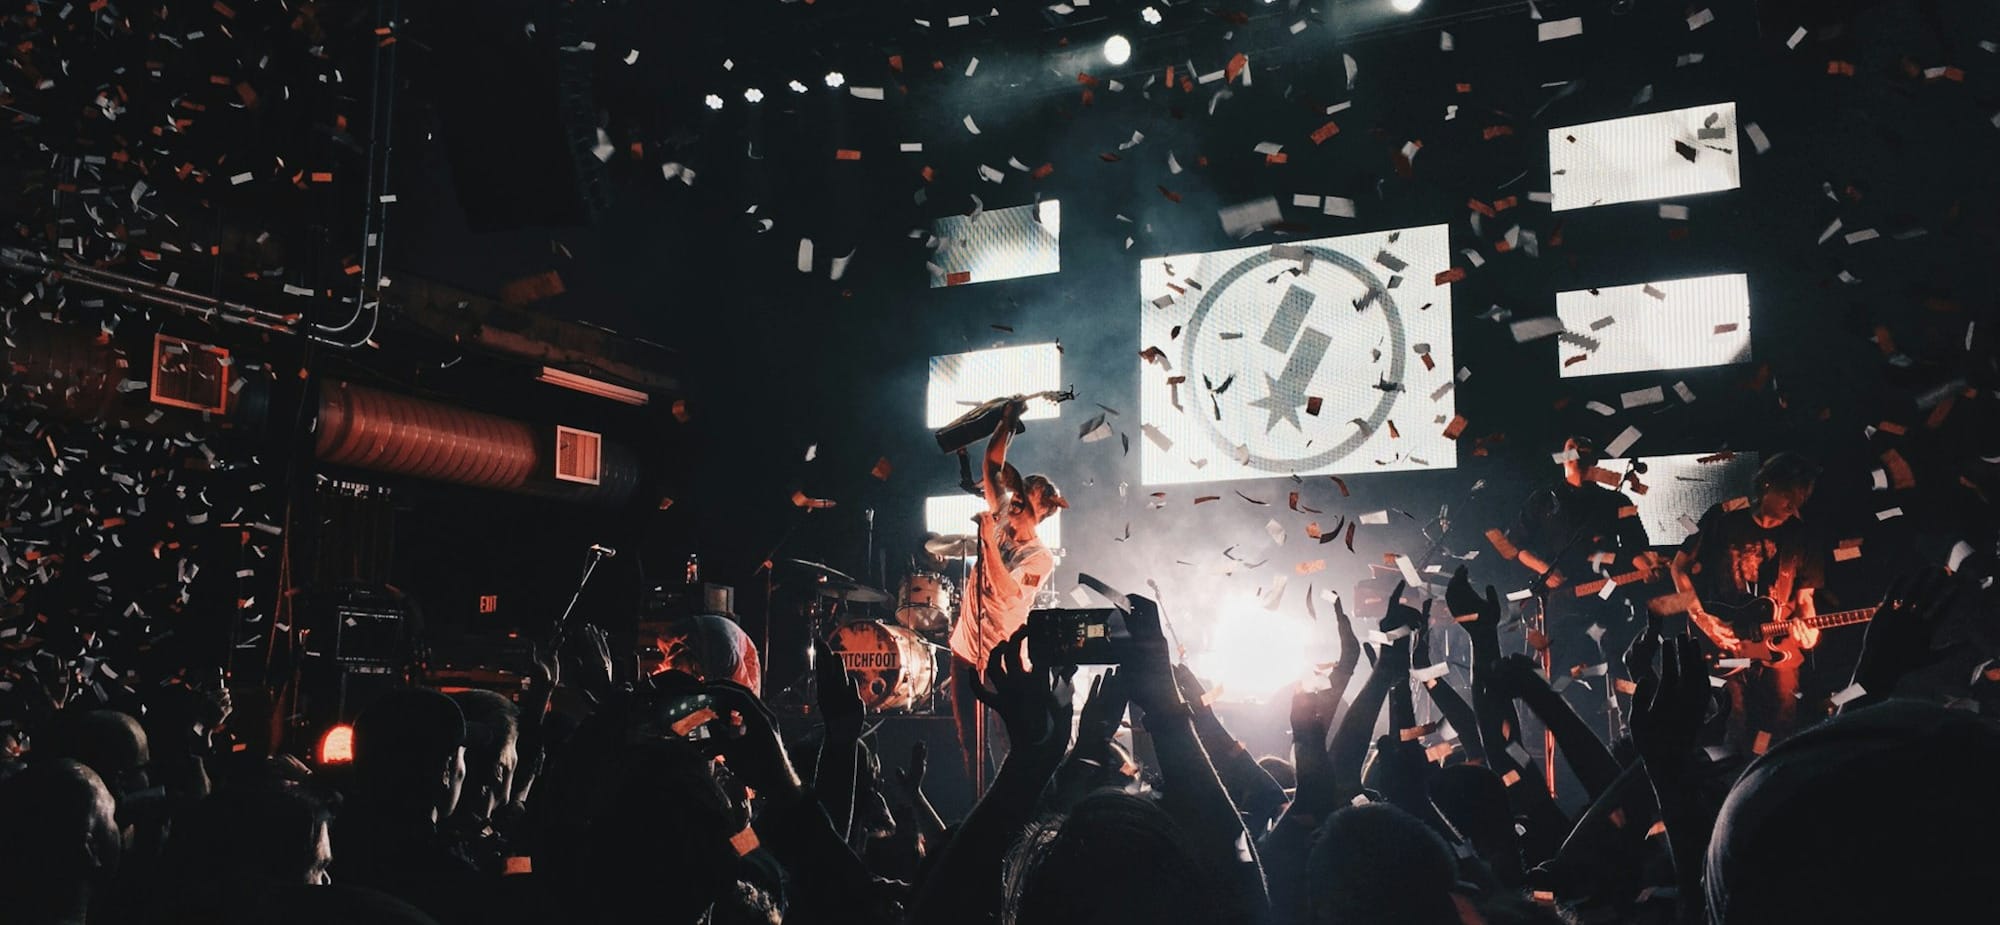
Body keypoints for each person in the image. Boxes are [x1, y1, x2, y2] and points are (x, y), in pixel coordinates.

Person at [1670, 452, 1826, 750]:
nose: (1792, 507)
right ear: (1767, 484)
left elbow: (1805, 598)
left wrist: (1810, 632)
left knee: (1781, 726)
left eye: (1799, 500)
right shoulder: (1722, 517)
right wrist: (1703, 619)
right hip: (1724, 643)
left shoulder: (1802, 534)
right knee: (1732, 723)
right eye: (1787, 496)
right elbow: (1678, 567)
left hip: (1778, 646)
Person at [948, 396, 1066, 788]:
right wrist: (1006, 422)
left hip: (1003, 657)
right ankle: (978, 806)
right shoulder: (1001, 513)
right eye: (1017, 493)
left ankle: (1017, 808)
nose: (1014, 500)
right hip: (965, 651)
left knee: (1010, 741)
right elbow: (991, 465)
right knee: (969, 742)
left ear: (1041, 512)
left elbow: (1005, 590)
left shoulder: (1040, 558)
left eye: (1023, 499)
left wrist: (987, 540)